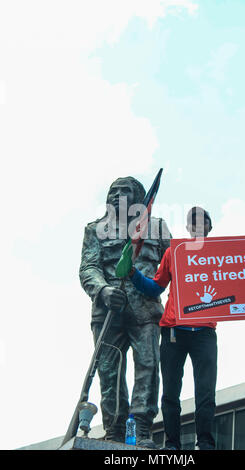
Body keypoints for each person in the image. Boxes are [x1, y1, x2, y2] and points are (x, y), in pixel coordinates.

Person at [128, 207, 245, 450]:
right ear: (187, 227)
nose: (195, 224)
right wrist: (132, 274)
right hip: (174, 330)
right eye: (191, 221)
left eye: (201, 220)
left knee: (205, 391)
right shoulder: (175, 252)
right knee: (171, 392)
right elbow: (156, 287)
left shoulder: (226, 255)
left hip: (205, 332)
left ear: (209, 226)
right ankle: (172, 444)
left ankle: (205, 442)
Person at [79, 176, 171, 449]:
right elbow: (88, 268)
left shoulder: (156, 228)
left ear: (140, 198)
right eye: (113, 191)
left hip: (145, 310)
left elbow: (183, 267)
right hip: (108, 311)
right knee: (109, 373)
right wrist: (103, 291)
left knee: (147, 367)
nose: (118, 195)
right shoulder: (95, 229)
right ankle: (115, 430)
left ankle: (142, 428)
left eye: (126, 191)